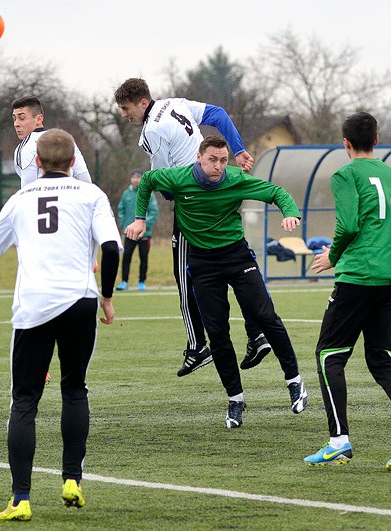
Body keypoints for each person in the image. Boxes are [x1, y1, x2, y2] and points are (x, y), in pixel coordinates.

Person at [0, 129, 121, 521]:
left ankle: (21, 499)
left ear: (36, 162)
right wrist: (106, 296)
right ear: (74, 163)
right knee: (74, 389)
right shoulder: (92, 195)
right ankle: (72, 479)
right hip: (79, 302)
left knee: (24, 401)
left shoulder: (20, 198)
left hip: (34, 306)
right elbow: (109, 248)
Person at [125, 135, 308, 429]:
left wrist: (290, 213)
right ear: (199, 157)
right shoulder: (178, 178)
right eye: (213, 160)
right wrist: (139, 219)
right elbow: (146, 180)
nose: (219, 166)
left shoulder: (235, 178)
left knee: (265, 316)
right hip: (202, 264)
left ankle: (295, 381)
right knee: (218, 334)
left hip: (237, 257)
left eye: (223, 160)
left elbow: (276, 192)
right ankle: (236, 400)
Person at [303, 112, 391, 470]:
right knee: (380, 358)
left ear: (344, 143)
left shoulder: (345, 174)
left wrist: (332, 256)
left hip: (359, 275)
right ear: (377, 141)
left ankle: (338, 443)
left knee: (329, 355)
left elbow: (348, 225)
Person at [114, 77, 271, 378]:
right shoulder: (176, 104)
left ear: (142, 103)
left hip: (195, 202)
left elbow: (162, 180)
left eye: (126, 108)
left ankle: (198, 346)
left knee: (185, 276)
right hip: (221, 191)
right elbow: (219, 116)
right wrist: (238, 151)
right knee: (236, 266)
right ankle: (257, 333)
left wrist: (167, 200)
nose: (125, 114)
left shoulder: (151, 131)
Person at [12, 95, 92, 186]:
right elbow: (85, 181)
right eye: (14, 119)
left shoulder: (27, 147)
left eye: (21, 118)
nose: (16, 124)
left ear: (39, 119)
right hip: (71, 198)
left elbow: (28, 190)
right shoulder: (66, 140)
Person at [116, 170, 159, 291]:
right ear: (131, 179)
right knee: (126, 257)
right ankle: (124, 281)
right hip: (129, 233)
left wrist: (145, 225)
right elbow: (121, 210)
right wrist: (124, 225)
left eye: (138, 177)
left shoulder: (148, 193)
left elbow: (154, 211)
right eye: (133, 177)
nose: (136, 180)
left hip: (144, 234)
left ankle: (141, 282)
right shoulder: (126, 194)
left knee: (143, 257)